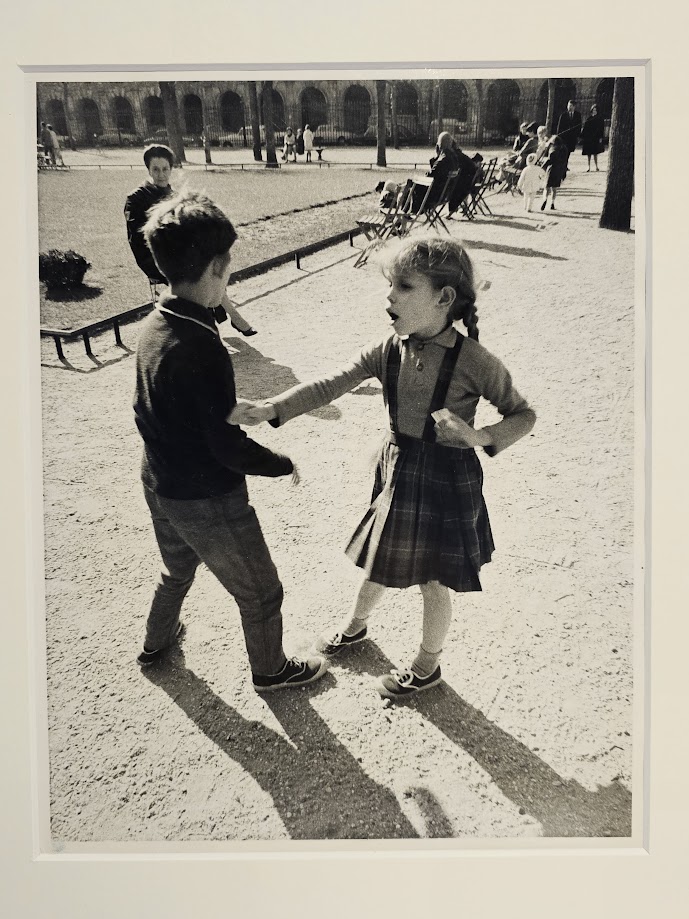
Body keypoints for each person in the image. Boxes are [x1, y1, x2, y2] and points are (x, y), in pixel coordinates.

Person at [230, 235, 536, 699]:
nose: (389, 297)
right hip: (398, 470)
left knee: (432, 580)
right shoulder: (388, 348)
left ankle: (428, 666)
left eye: (403, 287)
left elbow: (522, 414)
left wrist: (479, 437)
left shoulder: (475, 361)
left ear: (444, 299)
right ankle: (356, 628)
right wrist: (272, 407)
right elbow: (332, 383)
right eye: (389, 286)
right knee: (383, 553)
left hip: (445, 480)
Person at [133, 189, 328, 692]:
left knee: (176, 569)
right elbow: (225, 449)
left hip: (159, 481)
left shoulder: (156, 324)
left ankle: (156, 642)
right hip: (206, 494)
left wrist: (217, 416)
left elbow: (154, 405)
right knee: (262, 592)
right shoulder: (204, 345)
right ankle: (271, 671)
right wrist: (280, 462)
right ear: (218, 269)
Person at [124, 144, 257, 336]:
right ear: (148, 170)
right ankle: (232, 318)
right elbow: (137, 240)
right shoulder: (136, 199)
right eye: (156, 169)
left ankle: (220, 320)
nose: (161, 175)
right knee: (204, 275)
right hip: (157, 259)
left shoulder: (174, 195)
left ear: (171, 169)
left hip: (182, 256)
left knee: (212, 265)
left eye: (165, 169)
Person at [540, 134, 568, 210]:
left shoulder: (552, 149)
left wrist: (542, 166)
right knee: (554, 189)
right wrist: (564, 173)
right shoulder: (564, 149)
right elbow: (565, 162)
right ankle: (552, 203)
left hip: (551, 169)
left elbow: (549, 160)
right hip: (559, 170)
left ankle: (545, 199)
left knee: (547, 187)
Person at [556, 100, 582, 176]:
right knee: (564, 151)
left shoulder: (578, 115)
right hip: (564, 137)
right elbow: (559, 127)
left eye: (571, 106)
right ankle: (564, 165)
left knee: (569, 151)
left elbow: (579, 125)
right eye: (568, 105)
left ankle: (565, 165)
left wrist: (577, 135)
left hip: (572, 138)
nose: (569, 107)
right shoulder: (563, 115)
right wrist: (559, 136)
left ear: (574, 106)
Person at [580, 104, 605, 172]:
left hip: (596, 138)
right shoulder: (589, 119)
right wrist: (582, 136)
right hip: (589, 138)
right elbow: (585, 129)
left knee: (595, 153)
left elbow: (601, 129)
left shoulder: (600, 119)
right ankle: (588, 166)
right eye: (593, 110)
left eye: (596, 110)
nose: (594, 111)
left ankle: (596, 166)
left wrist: (600, 138)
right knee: (589, 154)